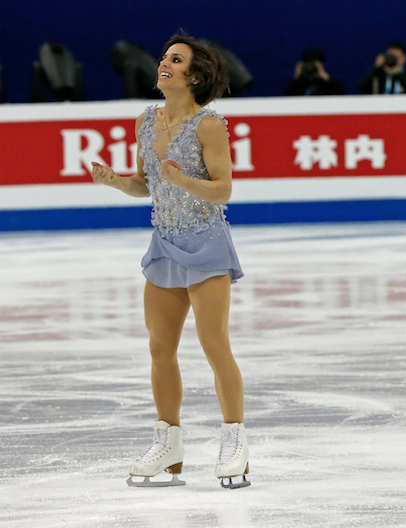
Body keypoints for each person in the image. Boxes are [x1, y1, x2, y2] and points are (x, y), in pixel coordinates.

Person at [90, 33, 251, 489]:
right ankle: (169, 443)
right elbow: (148, 184)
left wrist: (184, 182)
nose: (163, 63)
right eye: (164, 57)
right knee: (160, 348)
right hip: (164, 241)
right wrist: (116, 182)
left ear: (193, 76)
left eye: (175, 59)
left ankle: (235, 439)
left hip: (206, 243)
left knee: (214, 344)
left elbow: (222, 189)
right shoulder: (145, 121)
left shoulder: (209, 125)